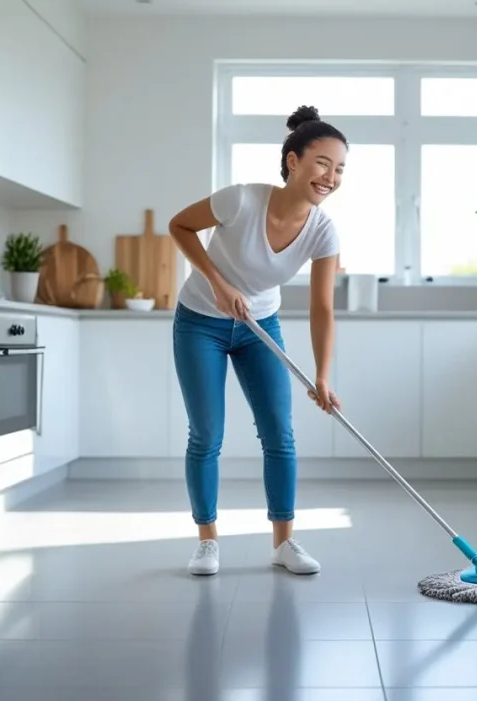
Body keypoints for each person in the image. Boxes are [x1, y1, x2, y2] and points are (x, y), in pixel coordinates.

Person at [167, 105, 347, 577]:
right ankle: (207, 541)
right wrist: (218, 281)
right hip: (200, 321)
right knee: (206, 435)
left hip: (260, 327)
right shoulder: (241, 200)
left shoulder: (324, 231)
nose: (331, 176)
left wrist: (322, 376)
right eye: (323, 163)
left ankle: (283, 543)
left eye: (340, 168)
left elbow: (322, 308)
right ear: (293, 161)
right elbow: (179, 226)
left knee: (279, 435)